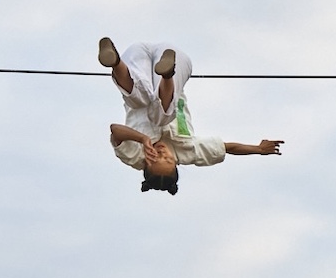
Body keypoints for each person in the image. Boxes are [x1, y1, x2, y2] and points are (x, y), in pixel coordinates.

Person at [98, 40, 283, 195]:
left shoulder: (133, 156)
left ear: (145, 164)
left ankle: (115, 63)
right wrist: (258, 149)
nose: (162, 155)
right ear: (177, 163)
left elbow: (115, 130)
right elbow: (228, 148)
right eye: (168, 160)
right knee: (161, 115)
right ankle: (167, 74)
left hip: (136, 63)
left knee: (138, 100)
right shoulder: (191, 151)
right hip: (175, 58)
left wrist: (143, 138)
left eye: (155, 160)